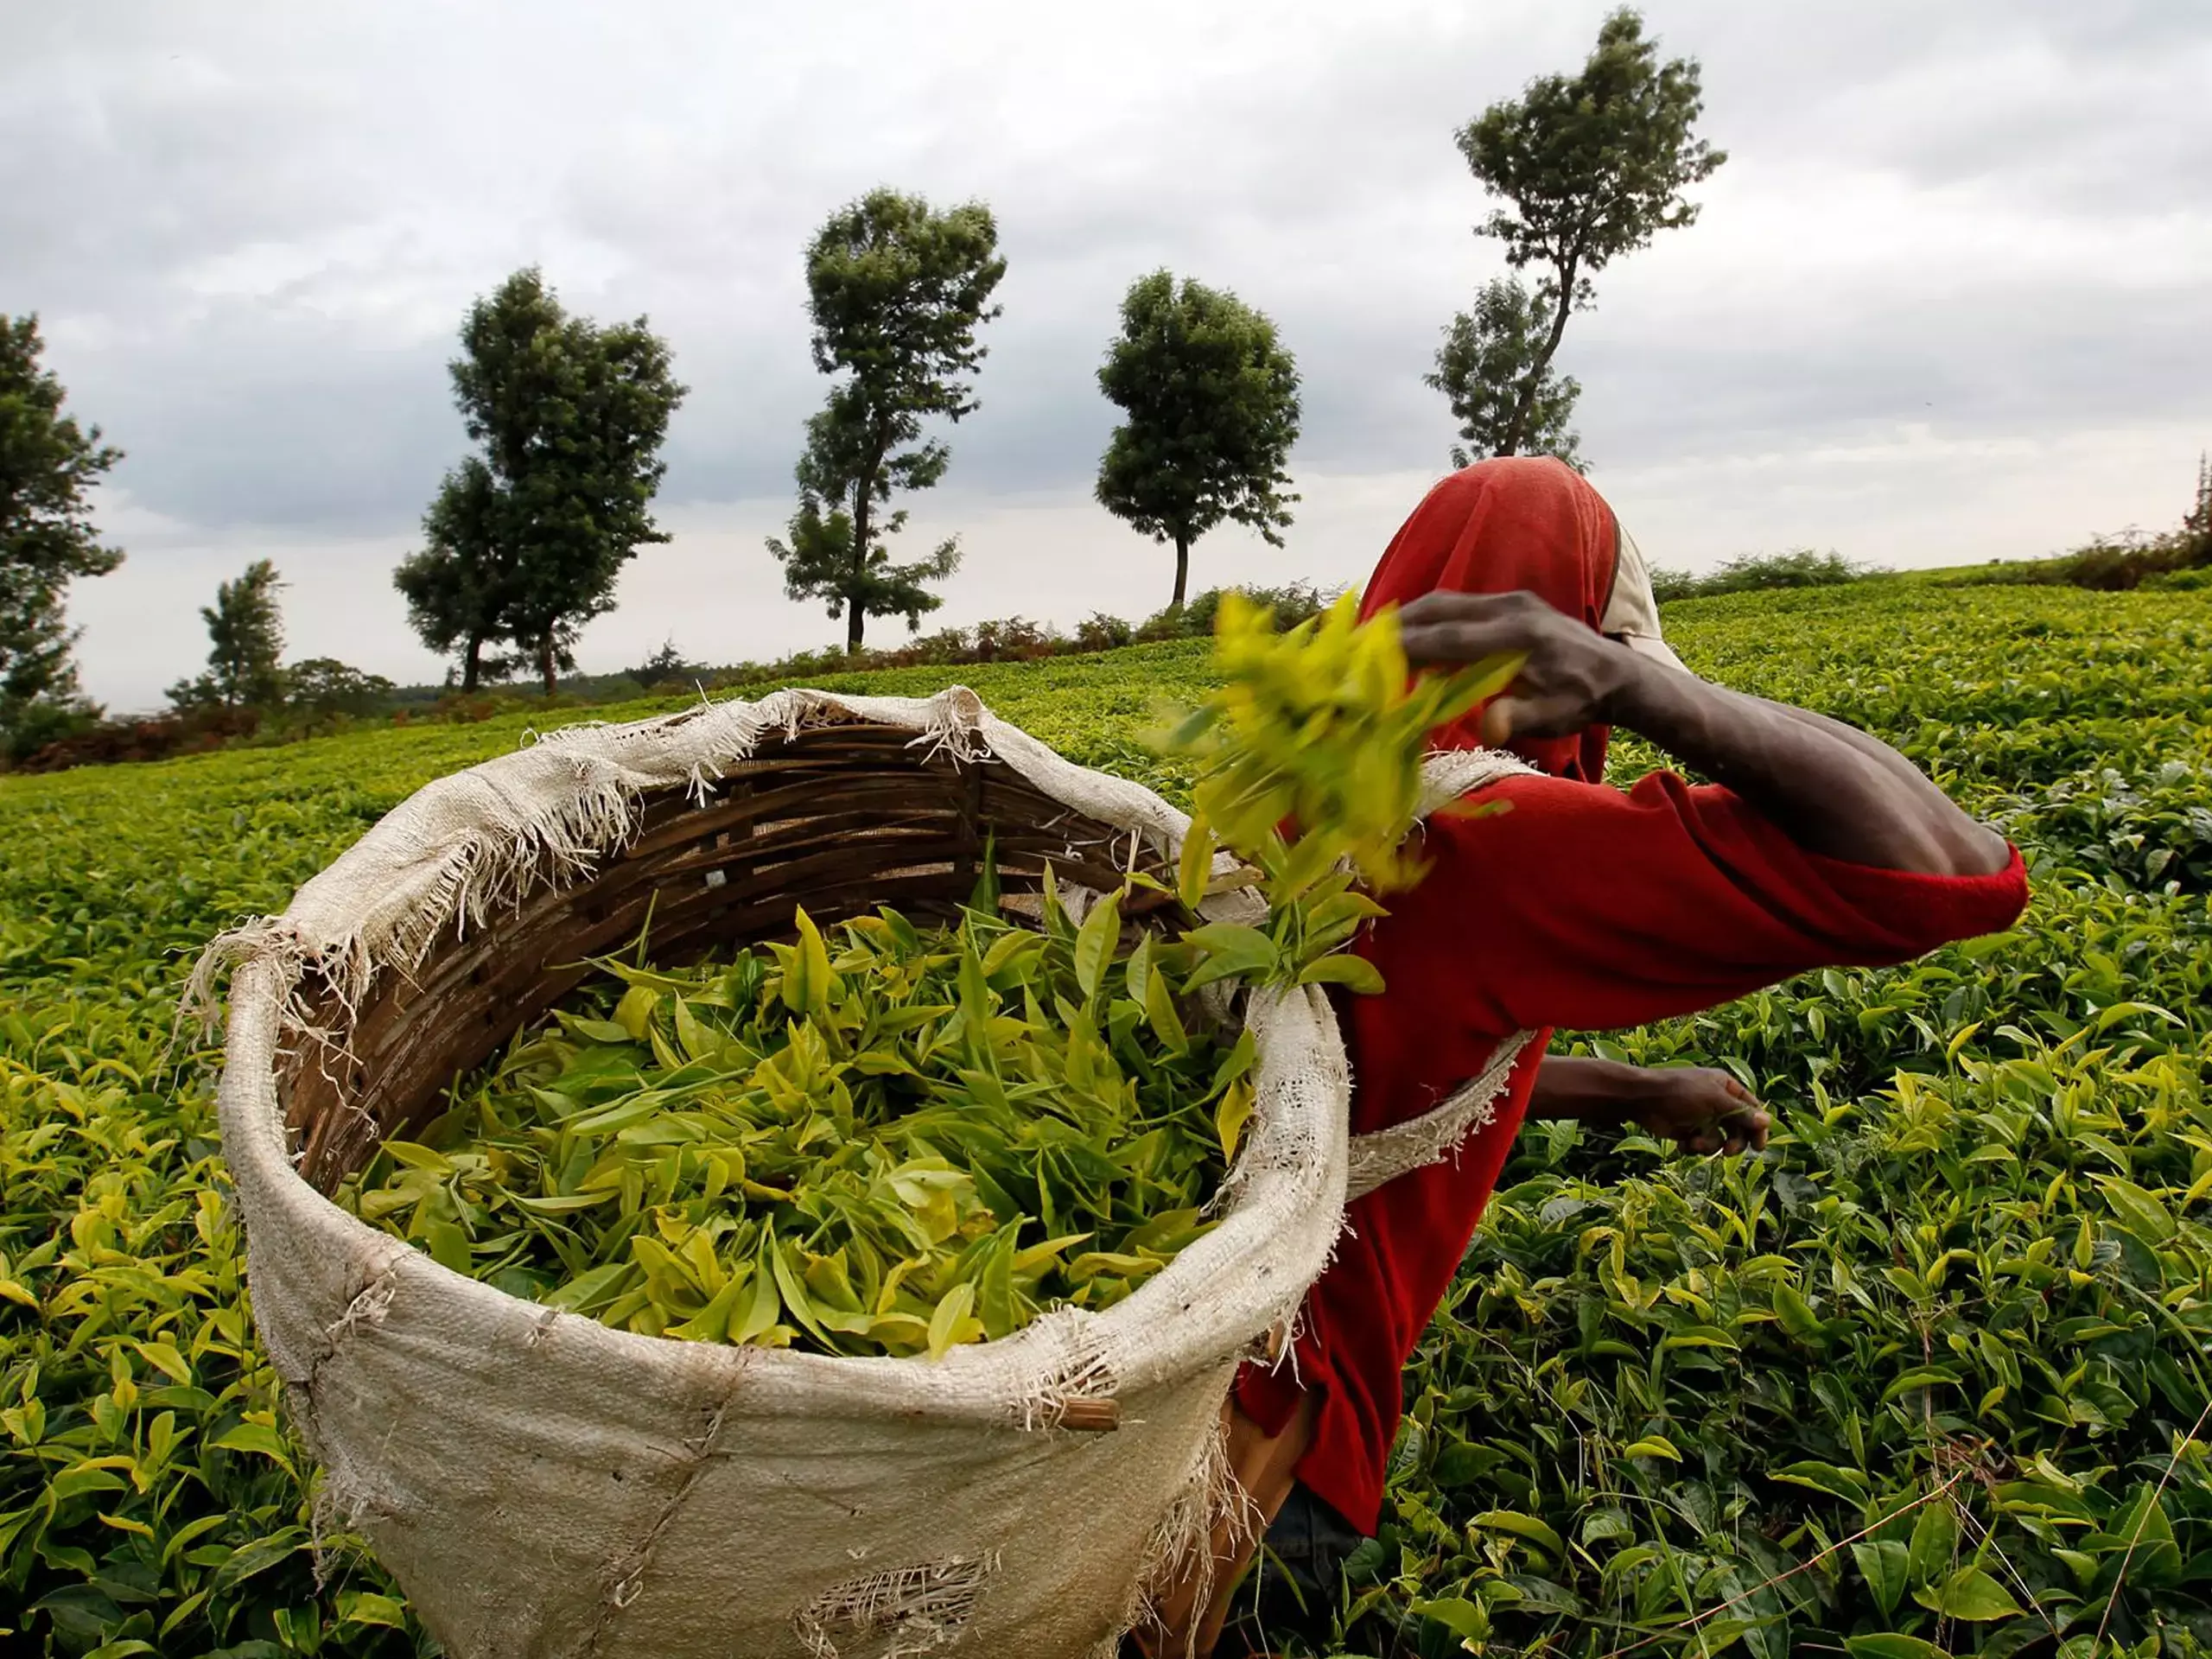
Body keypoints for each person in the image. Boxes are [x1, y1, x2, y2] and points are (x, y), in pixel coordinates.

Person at [1127, 457, 2030, 1658]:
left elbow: (1370, 1065)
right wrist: (1647, 689)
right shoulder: (1490, 833)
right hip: (1290, 1413)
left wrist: (1627, 1092)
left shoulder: (1288, 789)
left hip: (1169, 1359)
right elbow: (1950, 867)